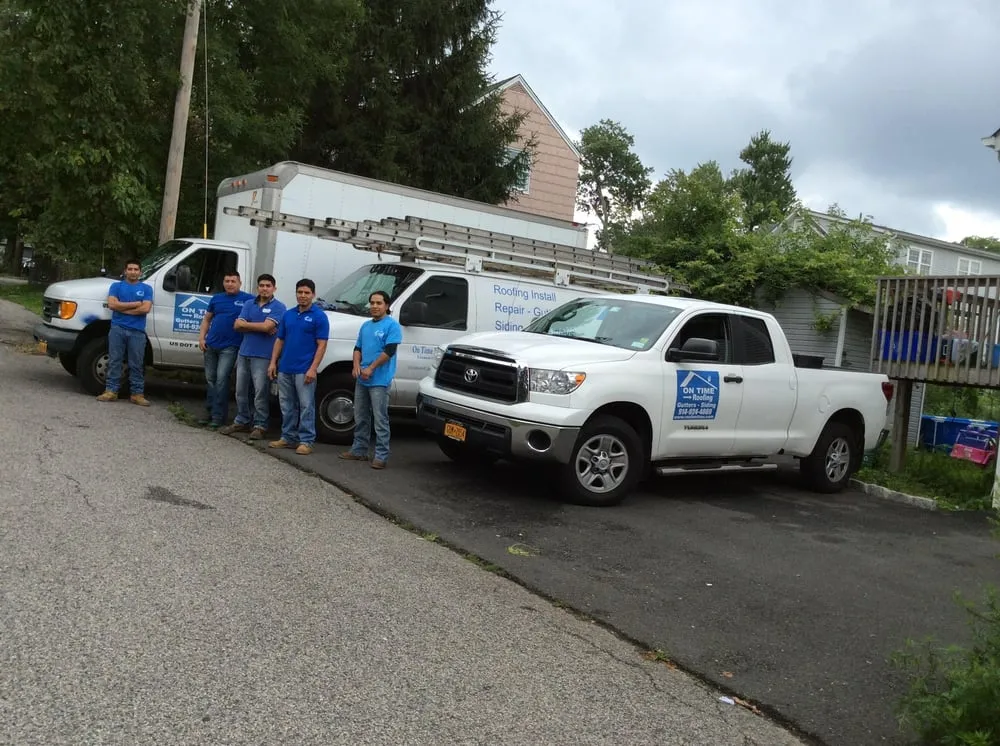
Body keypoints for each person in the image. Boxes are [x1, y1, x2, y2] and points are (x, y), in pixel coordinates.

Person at [339, 290, 403, 469]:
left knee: (380, 419)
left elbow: (389, 351)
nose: (374, 306)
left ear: (386, 305)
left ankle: (381, 456)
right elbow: (357, 348)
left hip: (379, 380)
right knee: (360, 416)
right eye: (372, 303)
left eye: (379, 303)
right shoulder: (365, 326)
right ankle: (359, 450)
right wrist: (356, 366)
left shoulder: (392, 326)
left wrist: (371, 368)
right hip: (363, 379)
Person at [220, 274, 286, 439]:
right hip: (244, 353)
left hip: (263, 356)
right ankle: (242, 420)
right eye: (261, 285)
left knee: (260, 392)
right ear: (257, 288)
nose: (264, 288)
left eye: (268, 286)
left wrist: (248, 325)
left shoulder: (279, 307)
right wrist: (260, 326)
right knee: (240, 391)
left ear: (274, 288)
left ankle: (260, 425)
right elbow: (237, 325)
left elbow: (267, 327)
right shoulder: (249, 304)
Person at [268, 279, 329, 455]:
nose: (303, 296)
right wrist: (273, 362)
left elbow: (322, 345)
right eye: (300, 292)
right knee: (286, 405)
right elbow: (280, 340)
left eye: (306, 293)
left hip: (304, 369)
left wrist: (313, 368)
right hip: (285, 368)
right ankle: (288, 437)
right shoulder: (288, 315)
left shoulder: (319, 316)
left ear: (313, 295)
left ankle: (306, 441)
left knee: (306, 405)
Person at [197, 271, 254, 428]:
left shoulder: (248, 300)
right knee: (211, 379)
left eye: (233, 281)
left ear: (240, 283)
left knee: (222, 380)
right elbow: (207, 319)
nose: (230, 284)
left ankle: (218, 416)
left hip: (230, 347)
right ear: (223, 283)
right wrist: (202, 338)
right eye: (227, 281)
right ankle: (209, 412)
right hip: (210, 345)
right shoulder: (216, 298)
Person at [97, 259, 154, 406]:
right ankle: (111, 391)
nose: (133, 272)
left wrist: (122, 308)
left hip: (137, 332)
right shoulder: (116, 286)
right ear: (125, 271)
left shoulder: (147, 289)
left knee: (137, 363)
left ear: (140, 272)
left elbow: (145, 308)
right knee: (115, 361)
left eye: (136, 269)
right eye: (130, 269)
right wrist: (136, 304)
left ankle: (137, 394)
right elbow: (112, 304)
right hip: (118, 329)